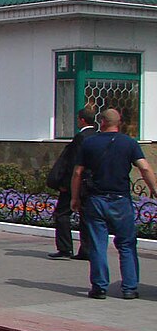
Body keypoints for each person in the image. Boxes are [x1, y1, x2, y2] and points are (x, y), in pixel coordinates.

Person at [71, 108, 157, 299]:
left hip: (96, 199)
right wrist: (154, 189)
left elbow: (77, 173)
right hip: (120, 200)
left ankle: (100, 287)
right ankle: (129, 288)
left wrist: (75, 198)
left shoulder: (90, 143)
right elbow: (144, 167)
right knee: (126, 244)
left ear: (101, 122)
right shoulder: (129, 143)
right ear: (119, 123)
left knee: (98, 244)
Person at [48, 108, 97, 259]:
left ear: (82, 120)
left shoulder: (81, 138)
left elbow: (73, 164)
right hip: (91, 182)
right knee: (86, 217)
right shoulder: (97, 136)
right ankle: (86, 250)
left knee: (62, 214)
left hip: (75, 183)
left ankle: (65, 248)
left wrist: (64, 183)